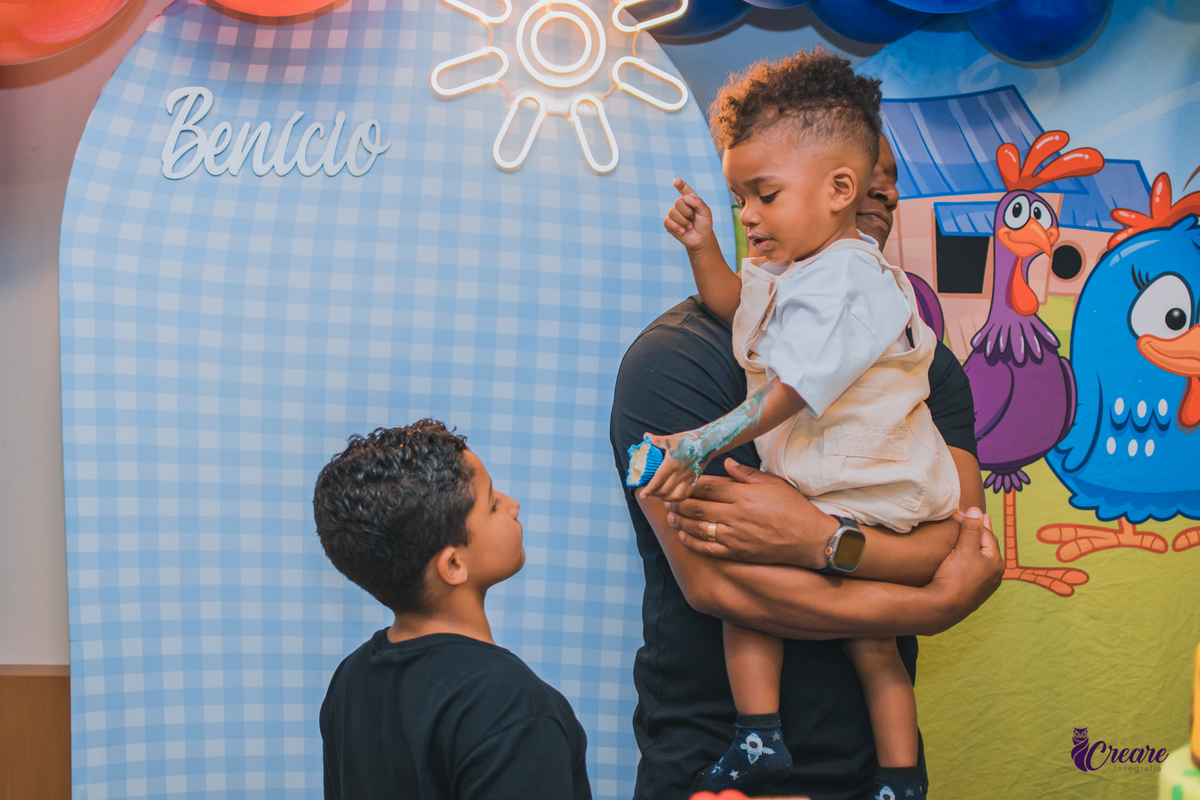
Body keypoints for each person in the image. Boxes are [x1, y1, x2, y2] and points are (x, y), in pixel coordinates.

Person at [609, 68, 1004, 800]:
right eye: (746, 198)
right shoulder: (675, 361)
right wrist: (930, 602)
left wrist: (818, 540)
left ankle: (899, 775)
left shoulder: (921, 362)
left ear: (845, 190)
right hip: (709, 773)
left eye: (887, 181)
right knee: (756, 616)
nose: (881, 195)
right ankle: (760, 738)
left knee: (875, 651)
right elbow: (718, 583)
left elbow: (953, 545)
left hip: (861, 775)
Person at [315, 421, 592, 800]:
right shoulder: (511, 705)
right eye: (492, 503)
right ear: (453, 565)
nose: (513, 505)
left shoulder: (351, 679)